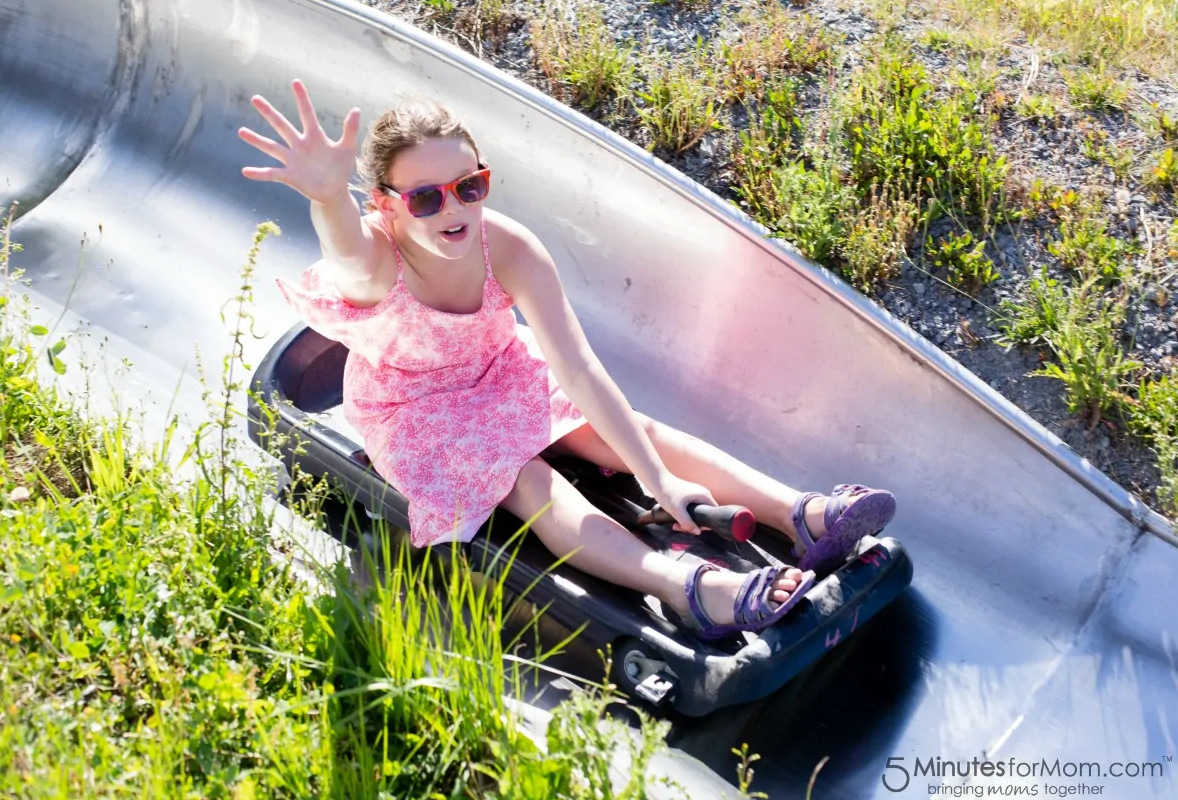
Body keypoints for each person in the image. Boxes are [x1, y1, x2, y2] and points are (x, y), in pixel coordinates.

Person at [239, 80, 897, 641]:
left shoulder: (511, 249)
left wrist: (658, 480)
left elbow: (580, 371)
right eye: (426, 198)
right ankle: (688, 587)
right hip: (416, 410)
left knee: (627, 430)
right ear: (385, 206)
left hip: (498, 369)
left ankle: (801, 513)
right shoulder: (379, 261)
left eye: (469, 185)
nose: (455, 207)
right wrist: (327, 198)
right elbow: (348, 254)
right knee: (528, 479)